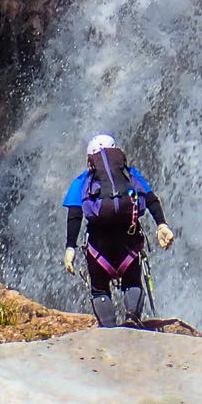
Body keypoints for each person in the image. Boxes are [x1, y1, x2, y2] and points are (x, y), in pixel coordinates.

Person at [62, 134, 174, 327]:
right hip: (129, 239)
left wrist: (70, 247)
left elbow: (74, 214)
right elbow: (151, 199)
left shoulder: (82, 181)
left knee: (100, 290)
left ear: (90, 159)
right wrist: (161, 225)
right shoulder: (131, 175)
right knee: (132, 282)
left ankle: (109, 329)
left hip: (99, 243)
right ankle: (132, 321)